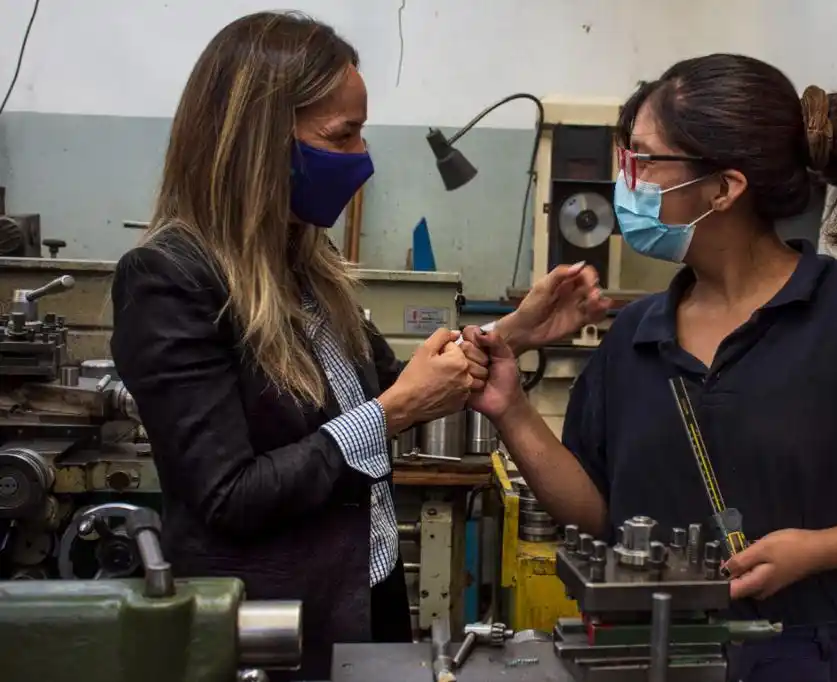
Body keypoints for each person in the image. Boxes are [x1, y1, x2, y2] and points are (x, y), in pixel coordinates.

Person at [464, 54, 837, 682]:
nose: (627, 182)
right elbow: (599, 513)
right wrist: (511, 408)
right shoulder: (637, 337)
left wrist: (822, 549)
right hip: (658, 654)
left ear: (724, 188)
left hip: (831, 657)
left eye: (643, 160)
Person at [108, 12, 607, 681]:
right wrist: (393, 414)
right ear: (261, 142)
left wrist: (513, 330)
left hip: (366, 591)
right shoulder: (169, 279)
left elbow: (386, 385)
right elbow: (229, 496)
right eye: (343, 135)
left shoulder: (305, 272)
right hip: (270, 629)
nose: (362, 156)